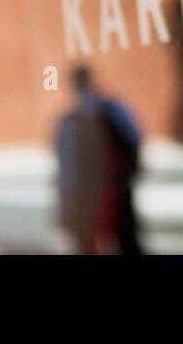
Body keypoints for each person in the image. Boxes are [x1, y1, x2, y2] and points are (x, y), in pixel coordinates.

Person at [54, 66, 142, 255]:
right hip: (109, 189)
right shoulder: (103, 111)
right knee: (120, 239)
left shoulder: (78, 119)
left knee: (109, 239)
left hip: (104, 190)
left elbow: (68, 170)